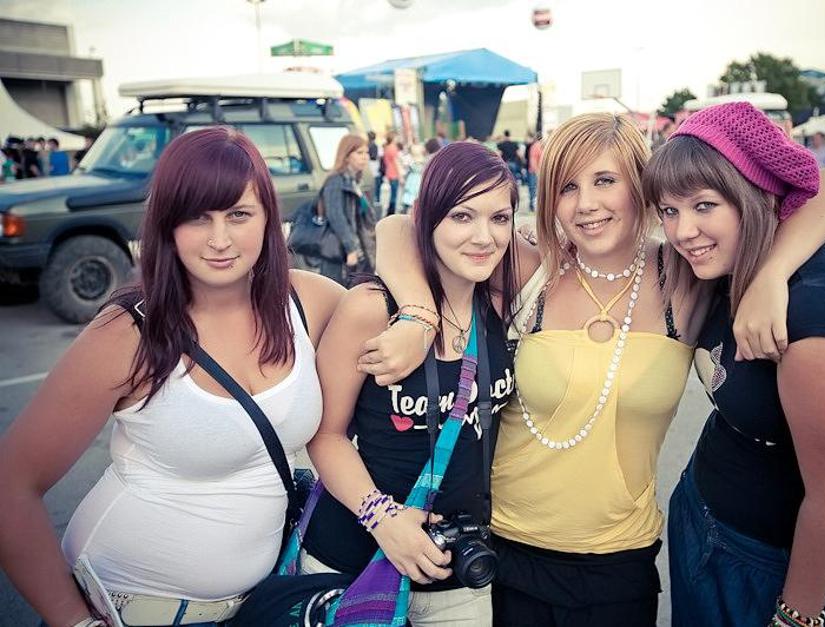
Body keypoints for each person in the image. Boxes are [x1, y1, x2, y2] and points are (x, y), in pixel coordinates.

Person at [362, 111, 825, 626]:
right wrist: (418, 314)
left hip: (620, 563)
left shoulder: (685, 272)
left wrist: (773, 273)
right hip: (504, 552)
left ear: (641, 185)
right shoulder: (533, 268)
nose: (586, 204)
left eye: (605, 181)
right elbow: (399, 226)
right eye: (567, 187)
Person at [0, 126, 344, 627]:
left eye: (239, 215)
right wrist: (75, 622)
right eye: (197, 217)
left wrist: (413, 319)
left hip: (257, 603)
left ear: (269, 217)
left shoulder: (306, 300)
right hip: (129, 606)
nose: (220, 239)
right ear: (167, 224)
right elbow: (11, 485)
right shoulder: (128, 333)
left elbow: (407, 261)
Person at [644, 101, 825, 627]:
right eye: (669, 211)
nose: (683, 231)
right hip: (709, 525)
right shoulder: (737, 263)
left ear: (755, 195)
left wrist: (794, 617)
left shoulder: (813, 322)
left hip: (768, 567)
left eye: (704, 205)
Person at [300, 141, 520, 626]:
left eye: (499, 218)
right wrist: (382, 518)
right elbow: (325, 435)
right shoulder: (372, 309)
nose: (483, 236)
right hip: (355, 560)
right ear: (429, 218)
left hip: (456, 569)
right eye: (461, 216)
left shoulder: (502, 301)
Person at [317, 134, 376, 286]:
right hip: (340, 250)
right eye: (359, 153)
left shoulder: (354, 181)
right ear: (347, 156)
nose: (365, 157)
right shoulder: (335, 181)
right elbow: (336, 216)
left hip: (360, 247)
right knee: (339, 291)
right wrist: (351, 249)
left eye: (366, 152)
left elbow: (367, 217)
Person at [400, 143, 427, 214]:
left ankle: (409, 210)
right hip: (418, 179)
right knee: (415, 195)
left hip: (412, 179)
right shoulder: (423, 160)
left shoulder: (411, 160)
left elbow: (405, 167)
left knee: (411, 195)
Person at [383, 132, 403, 216]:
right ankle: (391, 212)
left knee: (392, 193)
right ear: (393, 138)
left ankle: (390, 212)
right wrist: (400, 176)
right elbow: (396, 163)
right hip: (394, 173)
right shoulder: (393, 148)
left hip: (389, 172)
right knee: (394, 194)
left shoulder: (387, 148)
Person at [523, 132, 542, 212]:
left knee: (533, 189)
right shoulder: (536, 146)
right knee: (534, 189)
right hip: (535, 172)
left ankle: (533, 206)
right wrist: (537, 171)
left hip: (535, 171)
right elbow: (533, 160)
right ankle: (533, 206)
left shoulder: (537, 146)